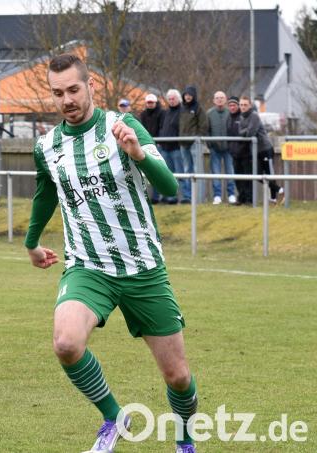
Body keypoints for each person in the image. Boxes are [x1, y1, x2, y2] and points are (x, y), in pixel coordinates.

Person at [26, 54, 197, 453]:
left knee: (178, 377)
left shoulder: (123, 127)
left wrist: (137, 153)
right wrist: (31, 242)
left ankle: (185, 441)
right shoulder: (47, 147)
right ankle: (114, 416)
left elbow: (170, 185)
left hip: (142, 267)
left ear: (90, 87)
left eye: (73, 89)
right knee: (66, 343)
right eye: (57, 93)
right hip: (88, 267)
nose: (66, 99)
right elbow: (45, 192)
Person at [237, 96, 284, 204]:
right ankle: (280, 190)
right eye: (241, 105)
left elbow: (250, 133)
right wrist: (245, 131)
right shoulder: (241, 117)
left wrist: (245, 131)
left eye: (245, 105)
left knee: (269, 173)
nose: (243, 107)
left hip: (265, 149)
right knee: (257, 174)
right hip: (255, 151)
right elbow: (240, 132)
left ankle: (274, 198)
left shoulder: (254, 116)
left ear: (249, 105)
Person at [178, 85, 208, 203]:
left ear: (193, 96)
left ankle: (199, 197)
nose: (188, 97)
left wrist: (198, 138)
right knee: (187, 170)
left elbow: (204, 124)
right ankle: (188, 196)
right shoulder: (182, 109)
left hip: (195, 143)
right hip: (183, 143)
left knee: (197, 169)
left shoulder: (198, 108)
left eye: (190, 95)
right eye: (186, 95)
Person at [206, 91, 237, 204]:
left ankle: (231, 195)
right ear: (214, 100)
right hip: (215, 148)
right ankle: (217, 196)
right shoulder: (209, 113)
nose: (219, 100)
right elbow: (206, 130)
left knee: (231, 172)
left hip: (229, 149)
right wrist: (210, 144)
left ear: (226, 99)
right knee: (216, 173)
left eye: (222, 98)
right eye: (217, 98)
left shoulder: (230, 112)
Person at [159, 89, 185, 204]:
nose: (171, 101)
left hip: (177, 148)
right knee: (167, 175)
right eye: (169, 99)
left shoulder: (183, 111)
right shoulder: (166, 112)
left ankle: (184, 197)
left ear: (178, 99)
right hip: (165, 148)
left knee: (181, 174)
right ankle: (171, 197)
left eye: (173, 98)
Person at [138, 93, 165, 203]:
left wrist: (158, 142)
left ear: (155, 103)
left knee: (158, 170)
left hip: (158, 145)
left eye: (151, 102)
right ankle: (152, 196)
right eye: (148, 102)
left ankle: (158, 196)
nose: (150, 104)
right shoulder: (143, 114)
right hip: (146, 145)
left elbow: (162, 128)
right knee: (148, 172)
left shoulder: (162, 113)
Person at [226, 97, 252, 205]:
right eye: (230, 105)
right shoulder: (228, 118)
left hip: (245, 153)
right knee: (237, 177)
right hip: (234, 153)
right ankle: (241, 198)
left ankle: (249, 199)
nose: (232, 107)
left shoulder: (243, 117)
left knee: (247, 177)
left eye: (234, 105)